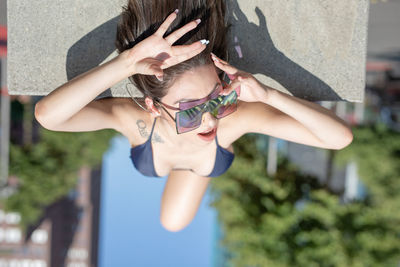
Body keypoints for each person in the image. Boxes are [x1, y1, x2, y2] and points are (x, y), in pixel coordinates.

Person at [34, 0, 353, 232]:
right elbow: (49, 117)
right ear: (153, 106)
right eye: (192, 110)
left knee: (171, 223)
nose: (211, 120)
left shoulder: (235, 119)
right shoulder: (130, 118)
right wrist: (125, 63)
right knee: (174, 222)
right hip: (199, 161)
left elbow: (339, 139)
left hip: (172, 157)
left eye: (218, 99)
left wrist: (268, 96)